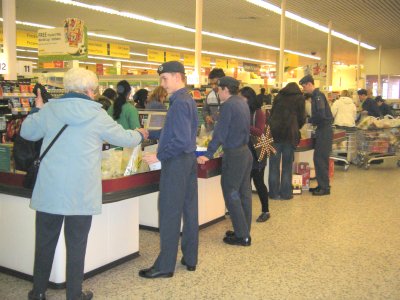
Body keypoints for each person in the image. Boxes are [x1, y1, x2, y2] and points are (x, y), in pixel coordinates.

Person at [21, 68, 147, 300]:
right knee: (77, 244)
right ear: (90, 90)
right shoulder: (97, 114)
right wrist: (140, 134)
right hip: (80, 192)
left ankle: (38, 292)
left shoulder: (49, 110)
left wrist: (37, 108)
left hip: (50, 190)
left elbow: (27, 132)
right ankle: (74, 294)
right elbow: (123, 138)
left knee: (44, 242)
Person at [139, 61, 199, 279]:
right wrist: (152, 135)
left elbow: (181, 140)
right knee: (189, 210)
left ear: (177, 77)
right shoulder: (186, 100)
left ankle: (165, 266)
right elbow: (177, 131)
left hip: (176, 163)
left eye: (164, 79)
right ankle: (190, 257)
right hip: (188, 162)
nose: (161, 83)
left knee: (169, 214)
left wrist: (159, 155)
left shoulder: (179, 102)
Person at [198, 76, 253, 247]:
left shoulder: (228, 105)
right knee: (244, 193)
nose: (217, 92)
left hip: (234, 154)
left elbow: (221, 131)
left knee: (230, 192)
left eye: (218, 89)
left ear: (225, 89)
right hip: (245, 152)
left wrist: (208, 153)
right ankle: (243, 229)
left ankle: (242, 236)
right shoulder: (242, 102)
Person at [269, 83, 306, 200]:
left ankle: (273, 193)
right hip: (290, 135)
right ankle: (286, 194)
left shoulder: (279, 96)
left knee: (273, 165)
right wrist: (296, 126)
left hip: (275, 134)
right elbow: (302, 118)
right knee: (287, 166)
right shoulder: (300, 98)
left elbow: (272, 113)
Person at [240, 86, 270, 222]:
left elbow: (259, 131)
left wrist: (244, 124)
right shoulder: (242, 111)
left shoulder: (258, 113)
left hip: (257, 153)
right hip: (245, 152)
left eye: (243, 97)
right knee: (245, 183)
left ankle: (265, 210)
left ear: (249, 98)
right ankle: (243, 210)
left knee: (258, 182)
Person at [299, 74, 333, 196]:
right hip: (322, 130)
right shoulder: (316, 96)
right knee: (319, 159)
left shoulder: (318, 96)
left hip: (324, 130)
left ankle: (324, 188)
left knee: (320, 159)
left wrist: (309, 120)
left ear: (309, 84)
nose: (304, 89)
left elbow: (321, 115)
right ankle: (322, 185)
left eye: (304, 86)